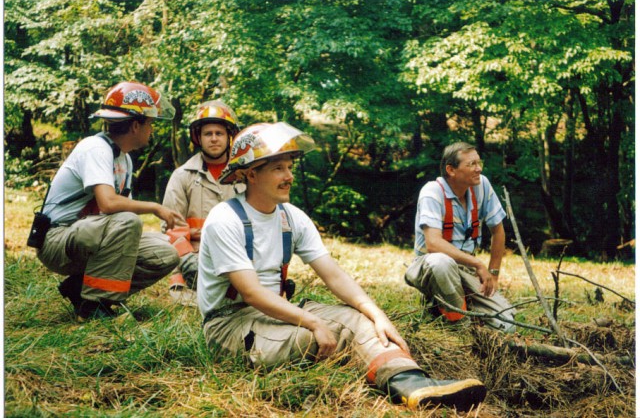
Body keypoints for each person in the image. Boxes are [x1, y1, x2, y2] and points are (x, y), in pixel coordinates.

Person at [197, 123, 487, 412]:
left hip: (276, 312)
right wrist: (312, 322)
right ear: (250, 173)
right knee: (312, 337)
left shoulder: (292, 218)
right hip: (229, 324)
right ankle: (383, 373)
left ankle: (412, 385)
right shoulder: (225, 219)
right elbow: (251, 294)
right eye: (278, 169)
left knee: (359, 320)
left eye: (289, 167)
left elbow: (333, 275)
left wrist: (377, 315)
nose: (289, 176)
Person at [36, 81, 183, 321]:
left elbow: (118, 218)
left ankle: (81, 289)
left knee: (165, 253)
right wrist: (155, 207)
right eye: (150, 124)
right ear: (136, 125)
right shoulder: (95, 148)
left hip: (88, 236)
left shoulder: (124, 160)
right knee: (128, 222)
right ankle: (95, 306)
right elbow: (108, 204)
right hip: (57, 239)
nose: (152, 130)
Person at [404, 142, 515, 332]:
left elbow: (498, 230)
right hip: (428, 266)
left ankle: (446, 306)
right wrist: (479, 264)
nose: (478, 168)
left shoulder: (482, 185)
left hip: (465, 270)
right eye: (471, 164)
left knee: (506, 325)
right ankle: (459, 325)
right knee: (441, 262)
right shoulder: (432, 192)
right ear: (451, 170)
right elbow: (433, 244)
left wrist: (493, 274)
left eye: (479, 163)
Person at [161, 100, 242, 303]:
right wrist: (187, 259)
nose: (214, 139)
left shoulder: (245, 175)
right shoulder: (182, 176)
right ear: (198, 137)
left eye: (219, 133)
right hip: (193, 261)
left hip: (236, 257)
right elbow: (171, 227)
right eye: (208, 134)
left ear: (229, 136)